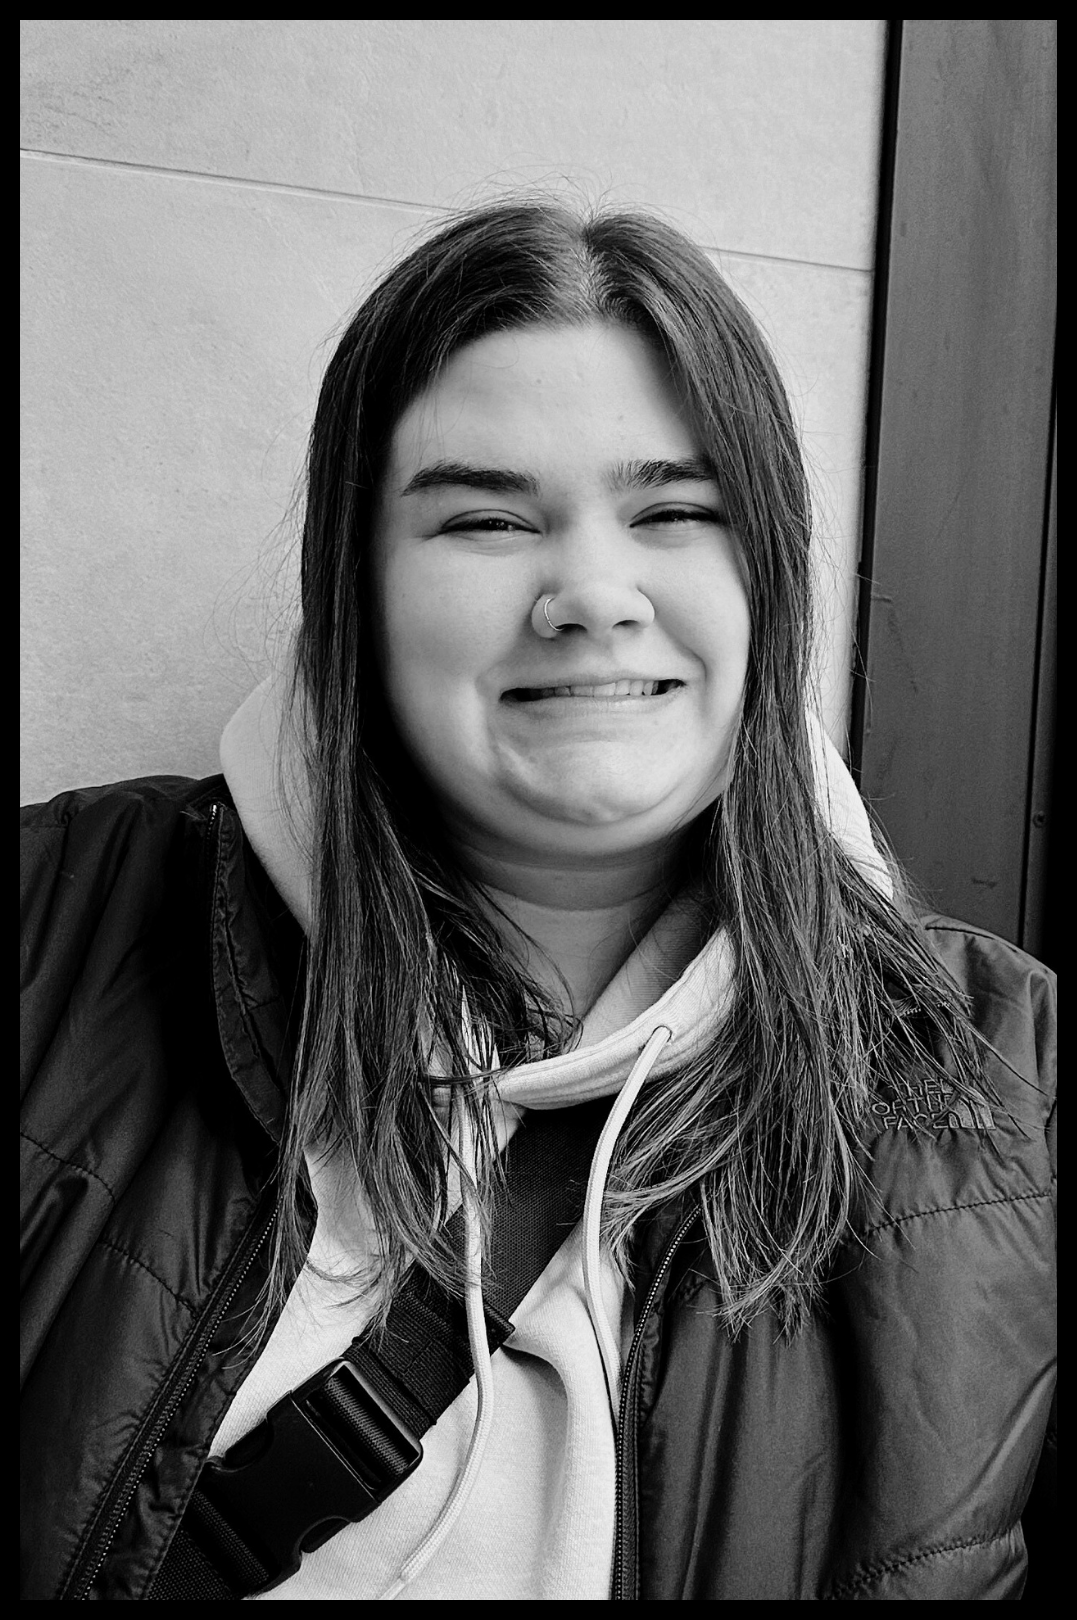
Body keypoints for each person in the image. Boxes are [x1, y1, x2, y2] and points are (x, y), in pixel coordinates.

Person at [20, 198, 1055, 1602]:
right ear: (356, 586)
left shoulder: (1008, 1083)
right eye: (489, 518)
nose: (592, 594)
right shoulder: (54, 928)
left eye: (675, 512)